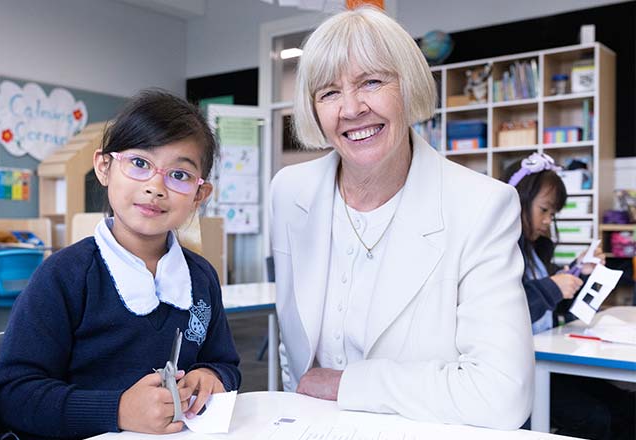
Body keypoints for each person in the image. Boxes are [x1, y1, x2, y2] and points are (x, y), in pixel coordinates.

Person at [270, 6, 533, 430]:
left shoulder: (481, 205)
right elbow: (296, 353)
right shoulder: (289, 191)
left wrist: (347, 386)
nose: (352, 108)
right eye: (329, 92)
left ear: (407, 87)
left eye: (371, 82)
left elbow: (503, 393)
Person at [0, 89, 241, 439]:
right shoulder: (65, 275)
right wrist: (118, 409)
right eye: (140, 163)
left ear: (199, 195)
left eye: (179, 175)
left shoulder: (200, 276)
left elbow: (225, 362)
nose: (156, 187)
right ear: (104, 167)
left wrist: (212, 377)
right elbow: (13, 395)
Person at [505, 152, 635, 440]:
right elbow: (506, 307)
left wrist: (581, 274)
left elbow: (558, 307)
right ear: (517, 201)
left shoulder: (537, 249)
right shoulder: (500, 252)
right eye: (544, 211)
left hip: (545, 358)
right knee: (597, 417)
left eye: (553, 214)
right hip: (521, 371)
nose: (549, 221)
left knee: (626, 405)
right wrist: (553, 286)